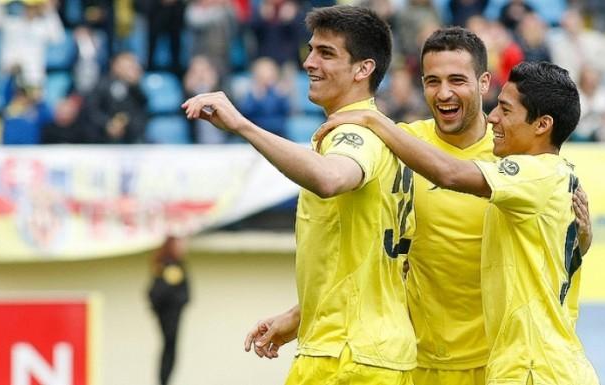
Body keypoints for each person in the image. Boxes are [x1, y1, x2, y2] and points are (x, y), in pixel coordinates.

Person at [245, 27, 593, 385]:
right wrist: (300, 314)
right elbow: (375, 255)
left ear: (483, 82)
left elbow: (553, 244)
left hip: (503, 365)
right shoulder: (400, 145)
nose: (444, 93)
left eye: (457, 80)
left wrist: (582, 237)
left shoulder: (515, 158)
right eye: (432, 81)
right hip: (421, 362)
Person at [183, 5, 417, 384]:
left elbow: (330, 178)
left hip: (345, 356)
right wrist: (300, 315)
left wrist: (243, 126)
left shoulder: (353, 134)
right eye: (310, 50)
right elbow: (360, 264)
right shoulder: (388, 136)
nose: (309, 62)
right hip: (380, 351)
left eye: (326, 53)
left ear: (363, 69)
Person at [148, 236, 190, 385]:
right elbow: (159, 293)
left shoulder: (167, 266)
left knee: (169, 349)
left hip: (169, 316)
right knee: (169, 348)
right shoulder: (171, 267)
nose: (184, 247)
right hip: (170, 317)